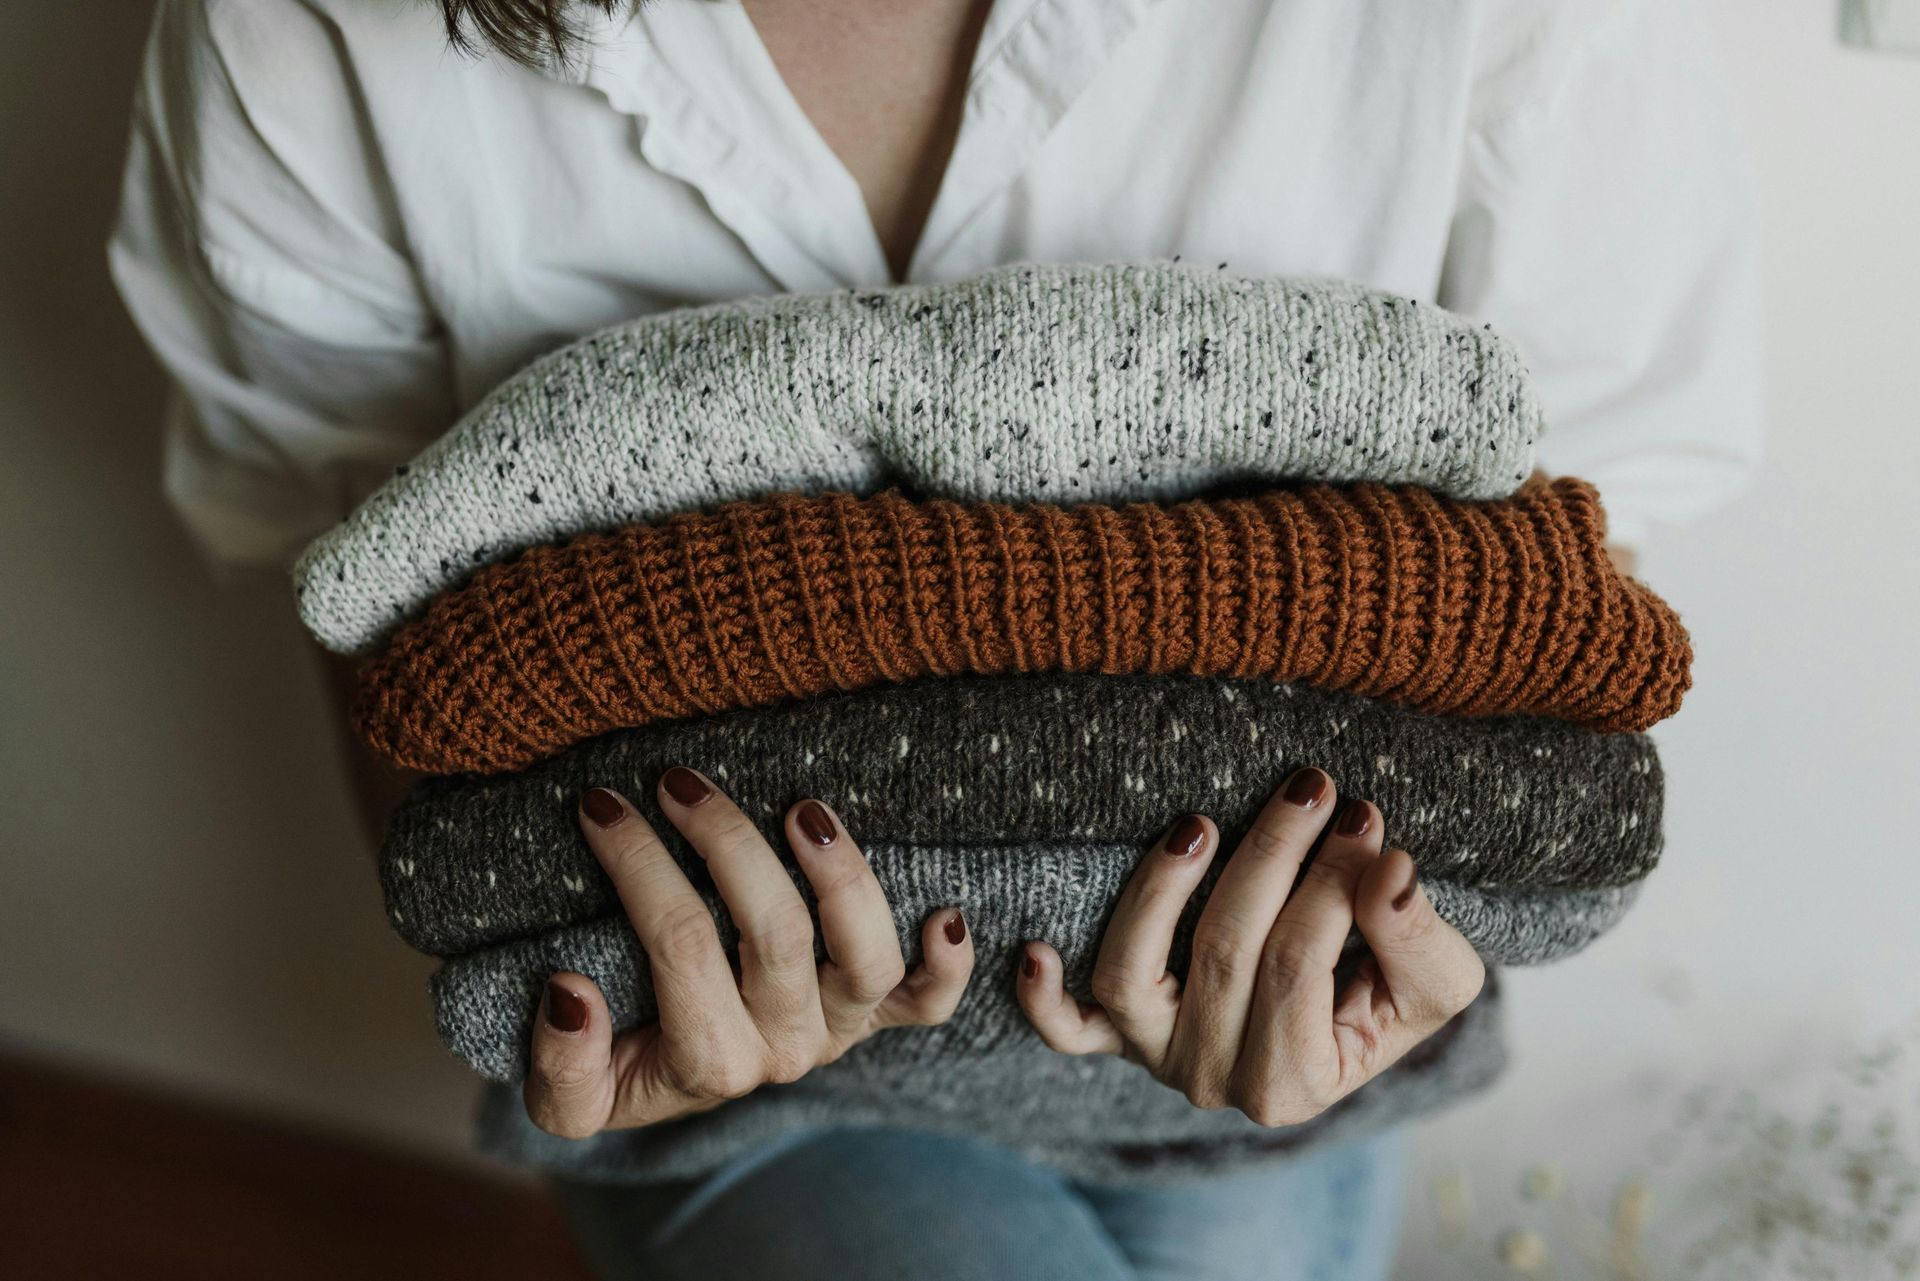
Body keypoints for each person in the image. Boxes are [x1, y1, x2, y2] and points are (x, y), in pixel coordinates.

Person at [108, 1, 1760, 1277]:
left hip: (1288, 1045)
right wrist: (591, 991)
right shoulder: (310, 27)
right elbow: (389, 663)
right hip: (742, 1092)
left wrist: (1421, 927)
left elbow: (1575, 577)